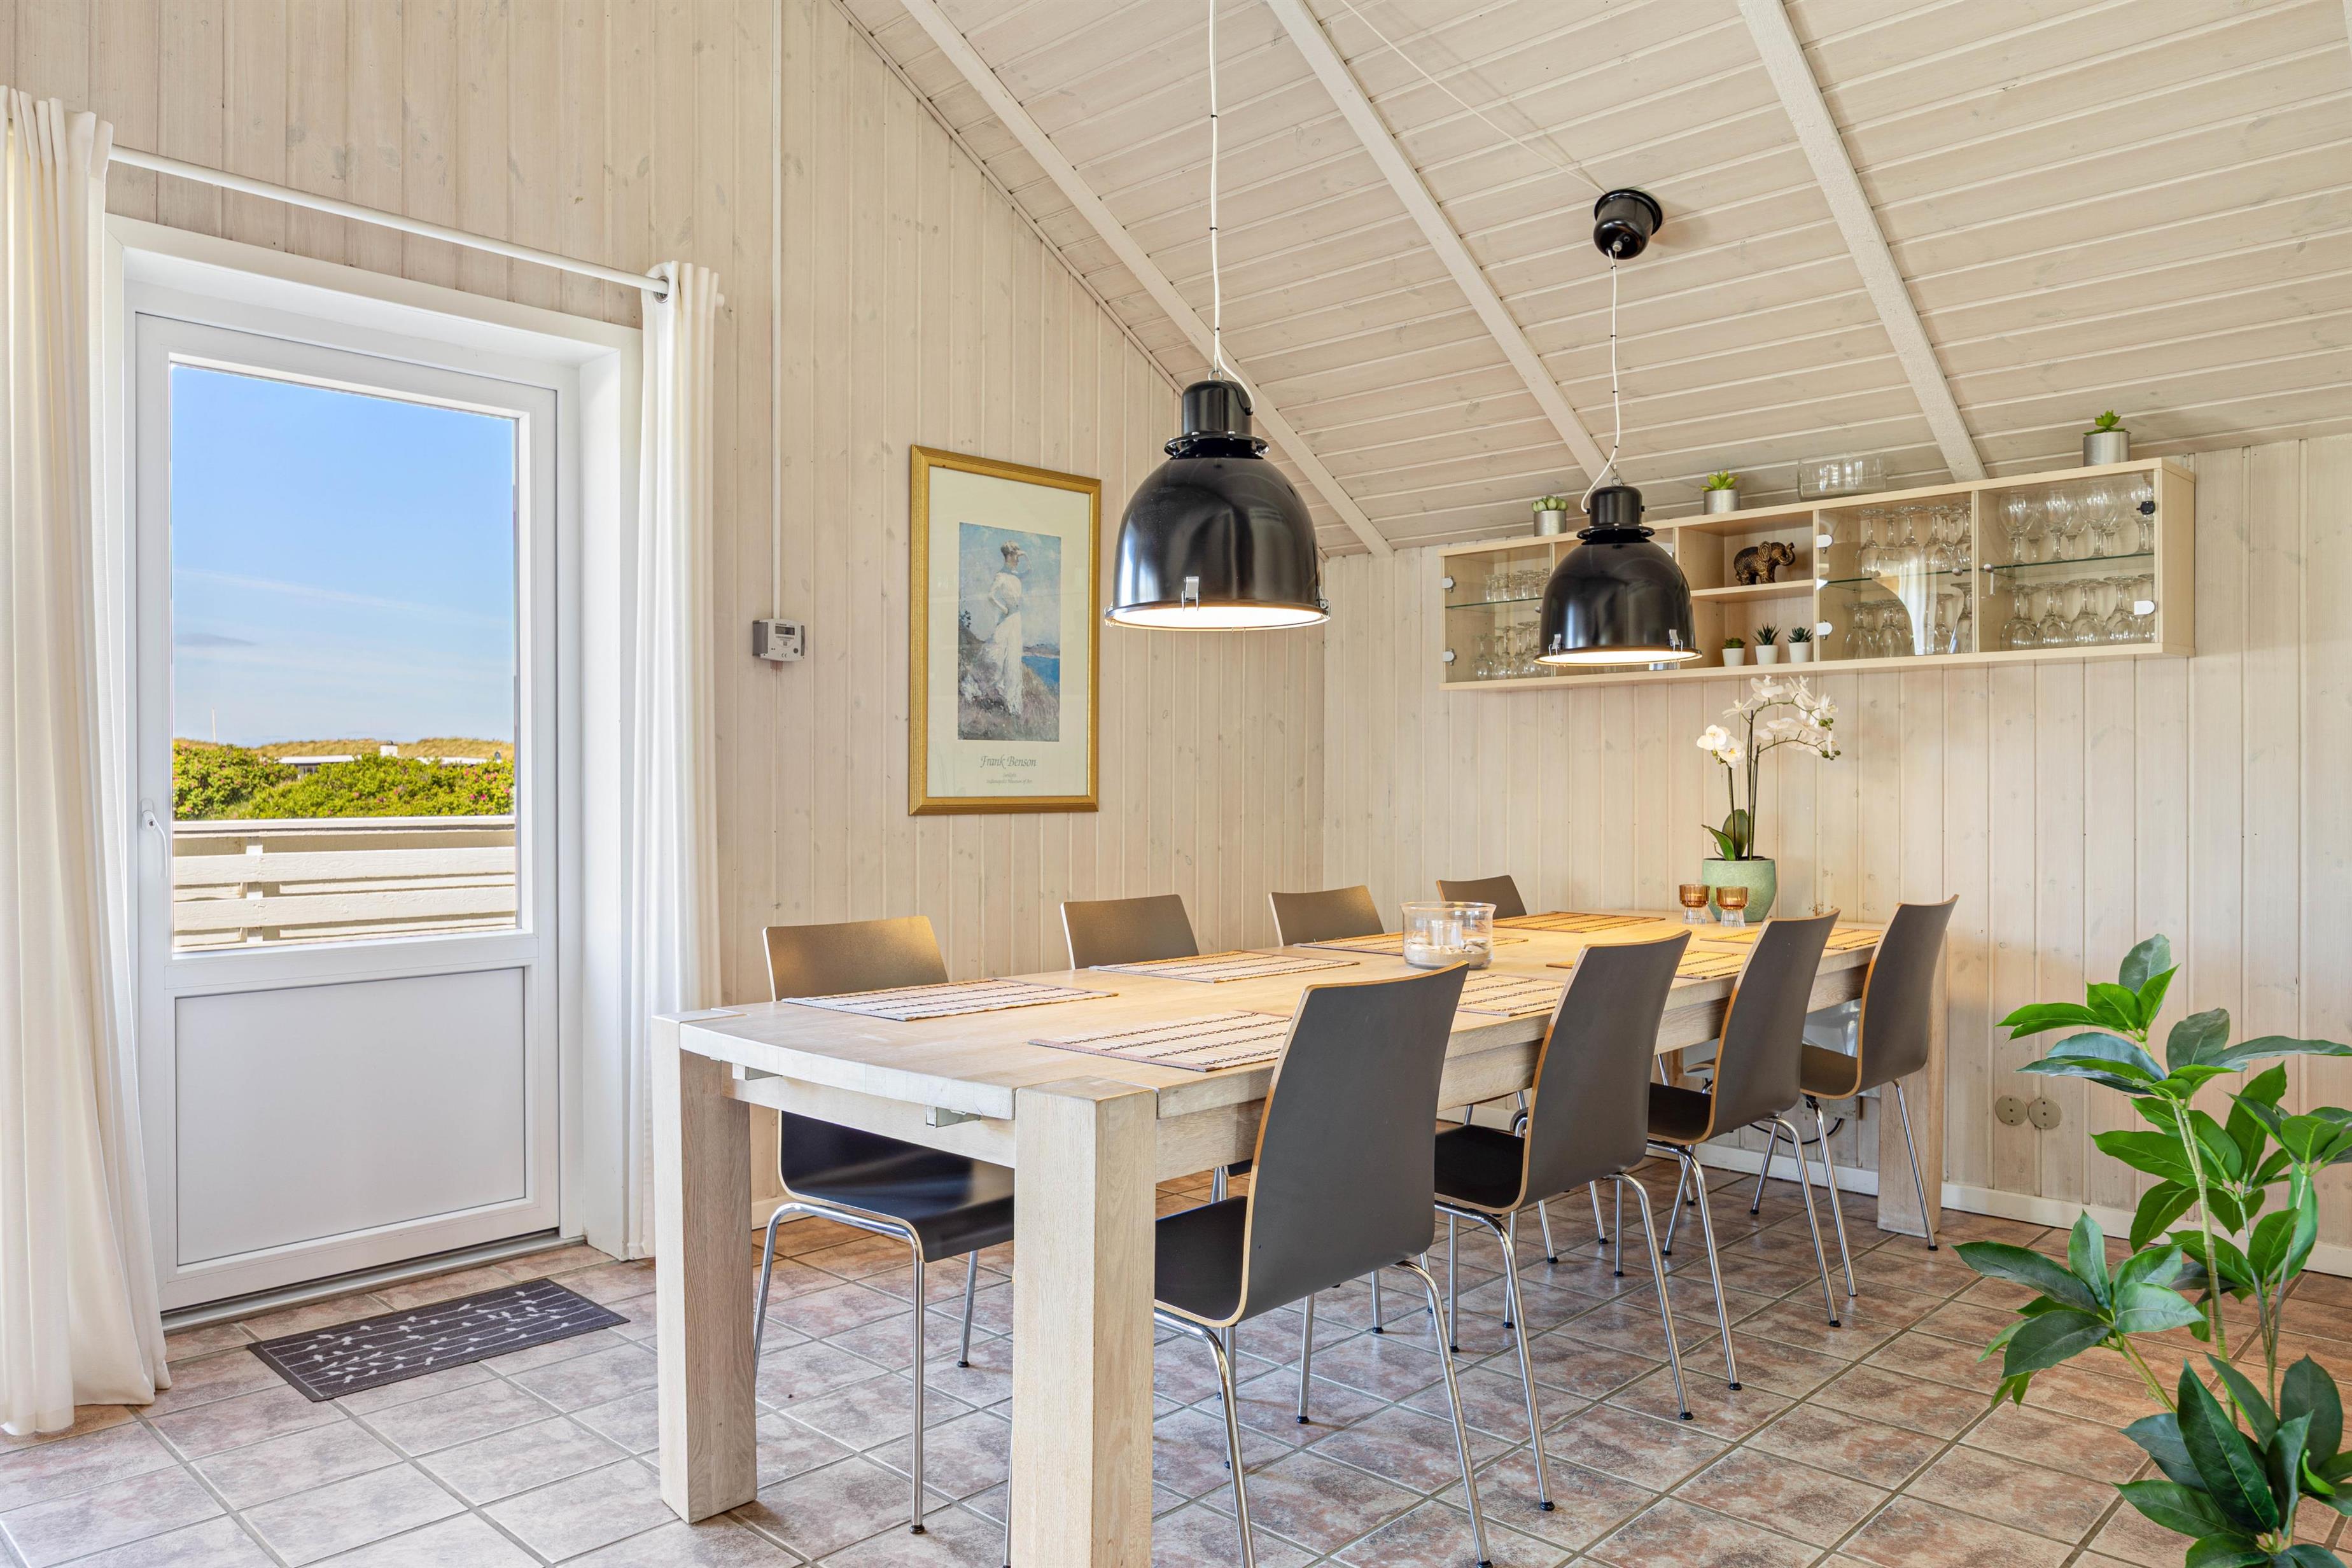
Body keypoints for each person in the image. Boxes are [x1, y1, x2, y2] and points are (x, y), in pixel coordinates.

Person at [987, 542, 1025, 719]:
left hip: (1017, 620)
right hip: (1009, 618)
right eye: (1017, 556)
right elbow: (990, 596)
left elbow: (1031, 570)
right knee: (1001, 656)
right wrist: (1003, 609)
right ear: (1009, 556)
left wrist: (1025, 556)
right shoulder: (1001, 576)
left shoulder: (1015, 576)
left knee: (1013, 657)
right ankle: (1001, 696)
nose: (1019, 559)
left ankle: (1011, 701)